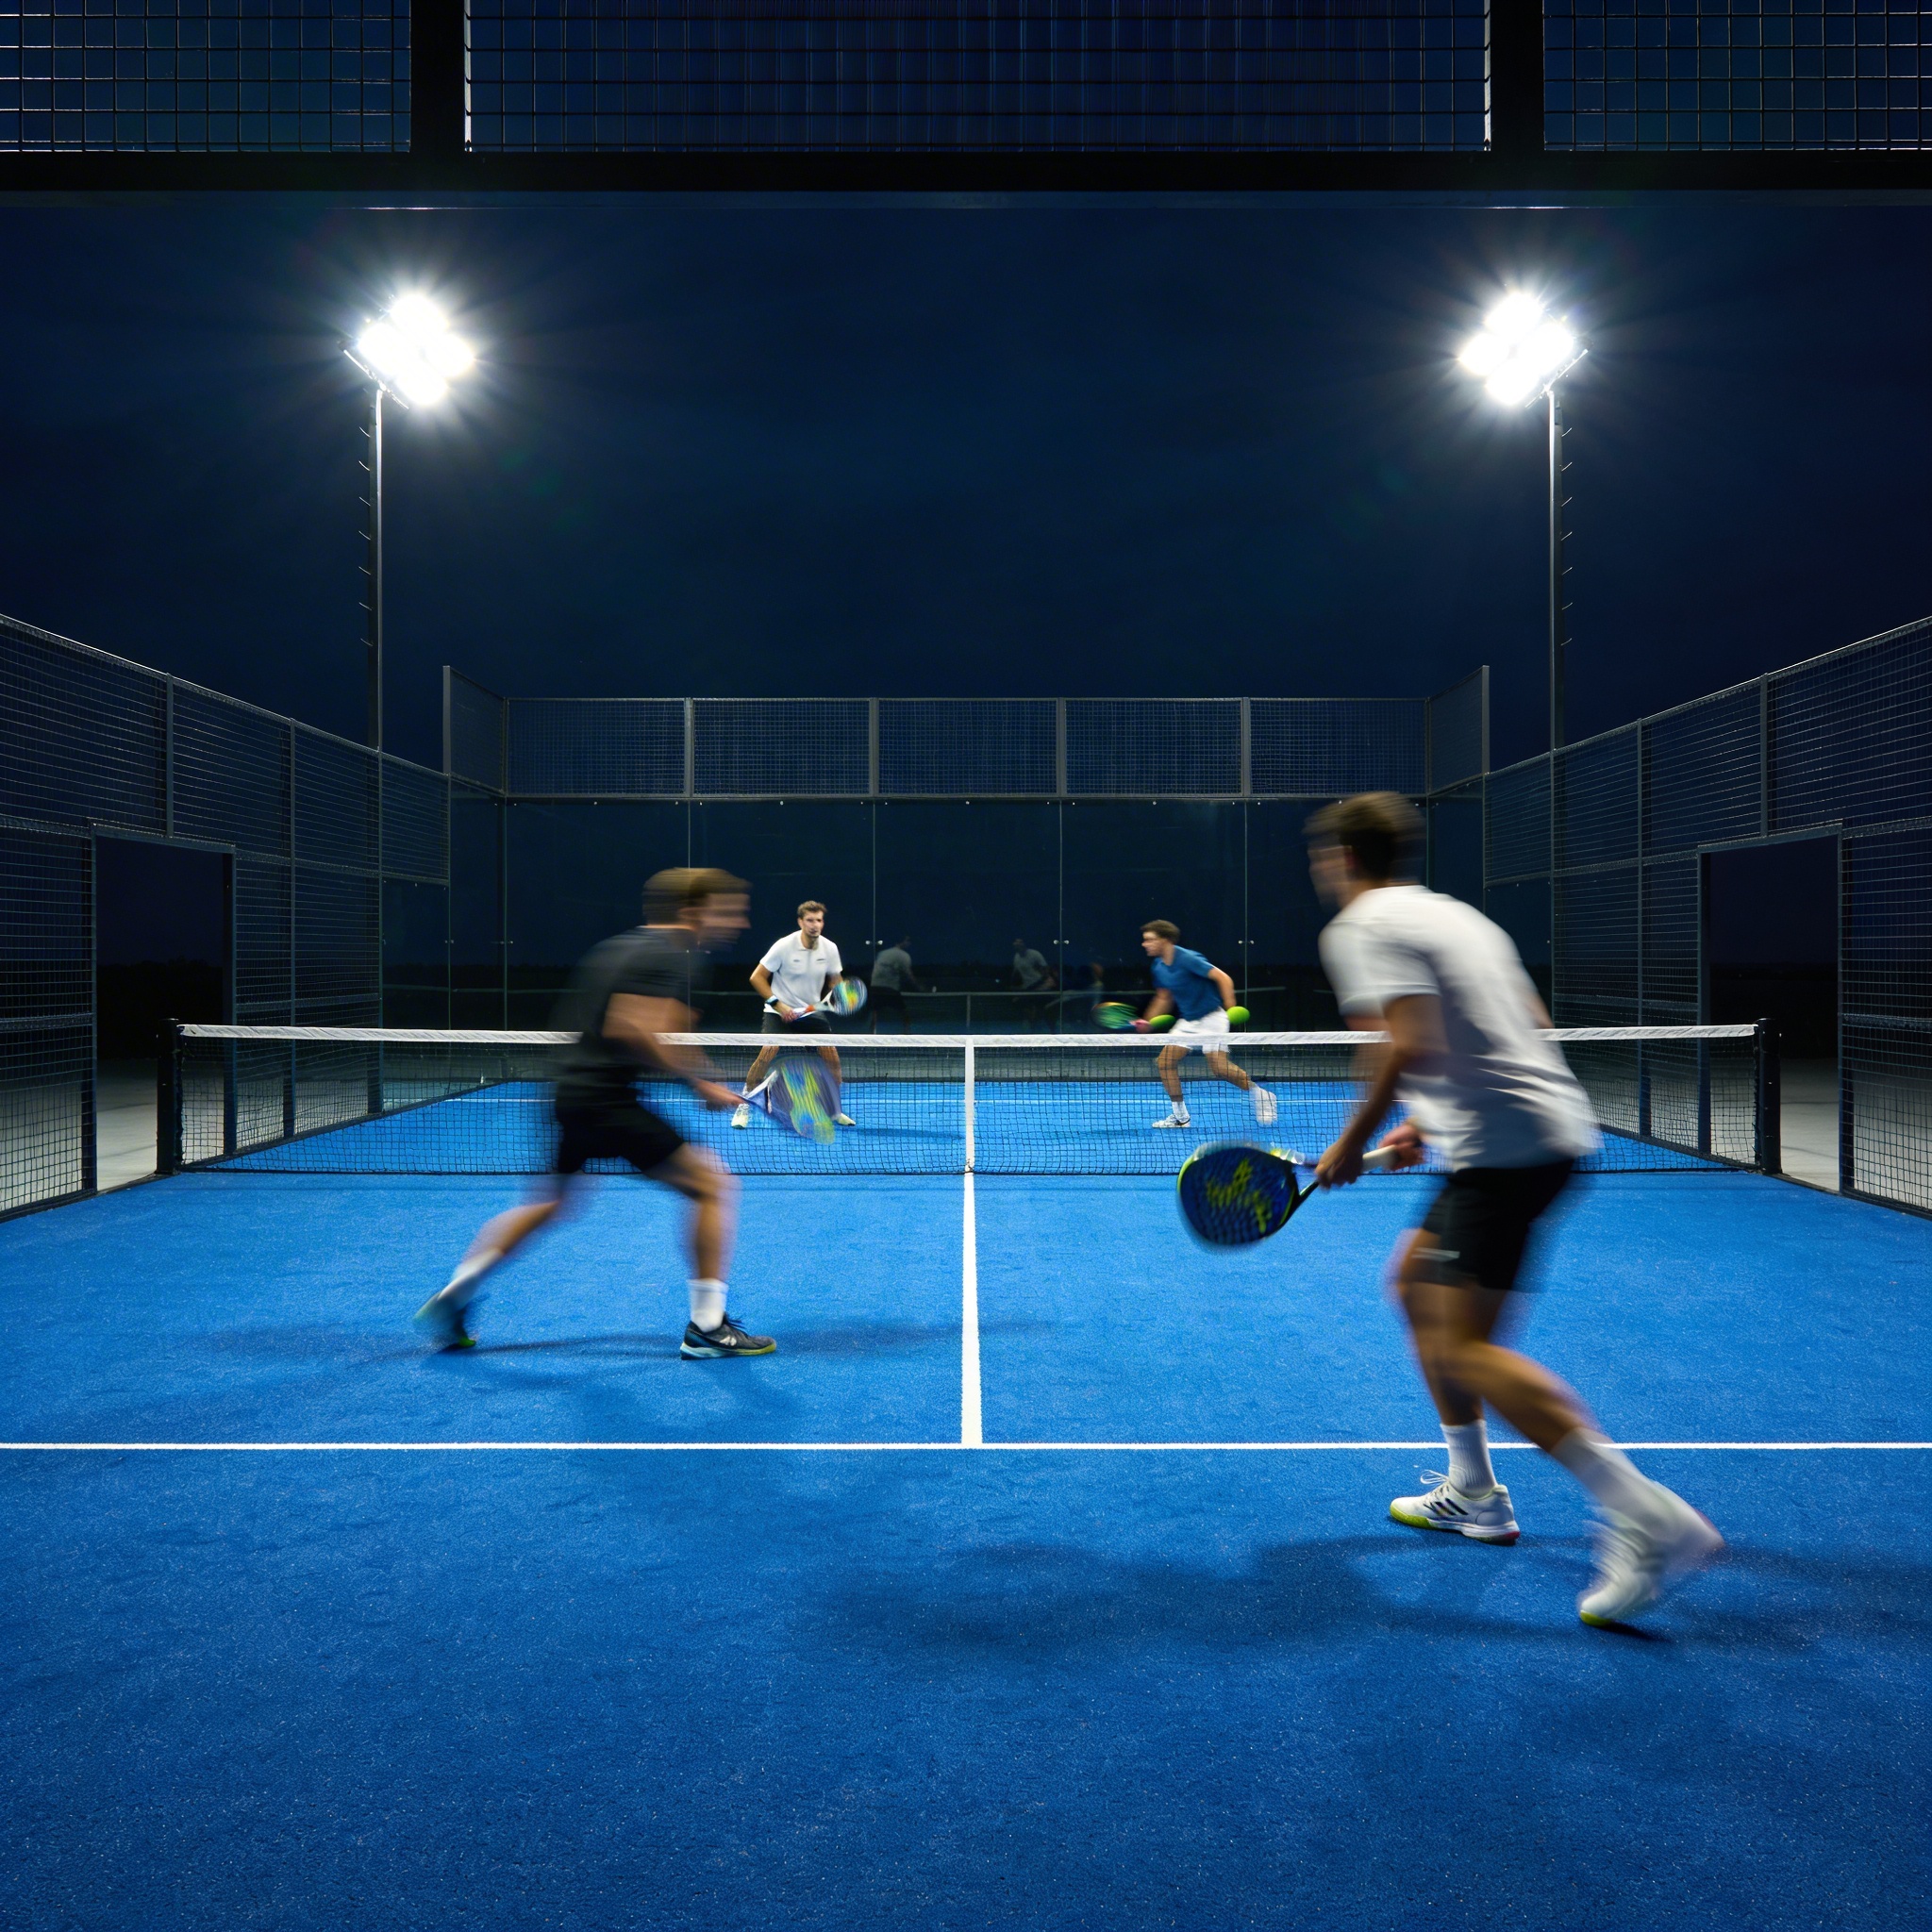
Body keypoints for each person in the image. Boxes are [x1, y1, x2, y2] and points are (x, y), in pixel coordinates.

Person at [1307, 791, 1723, 1626]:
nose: (1321, 870)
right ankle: (1475, 1492)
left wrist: (1354, 1141)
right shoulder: (1460, 920)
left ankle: (1644, 1513)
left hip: (1505, 1154)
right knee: (1415, 1290)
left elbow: (1407, 1041)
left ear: (1346, 858)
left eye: (1323, 855)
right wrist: (1429, 1118)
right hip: (1534, 1136)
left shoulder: (1359, 928)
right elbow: (1521, 1023)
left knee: (1464, 1349)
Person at [412, 867, 774, 1360]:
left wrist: (685, 1051)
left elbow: (634, 1023)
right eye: (728, 909)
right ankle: (708, 1327)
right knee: (712, 1185)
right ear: (692, 911)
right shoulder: (669, 954)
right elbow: (630, 1027)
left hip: (570, 1094)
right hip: (608, 1100)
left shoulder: (621, 948)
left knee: (551, 1203)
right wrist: (698, 1082)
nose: (739, 921)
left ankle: (455, 1295)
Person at [1137, 921, 1276, 1128]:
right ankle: (1180, 1117)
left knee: (1219, 1068)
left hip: (1213, 1018)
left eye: (1149, 939)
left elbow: (1223, 978)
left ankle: (1262, 1095)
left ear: (1164, 940)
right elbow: (1164, 998)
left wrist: (1231, 1008)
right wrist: (1147, 1021)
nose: (1144, 944)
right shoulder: (1158, 967)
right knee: (1165, 1062)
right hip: (1188, 1021)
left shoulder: (1187, 958)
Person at [733, 900, 856, 1129]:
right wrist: (778, 1005)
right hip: (779, 1010)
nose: (814, 925)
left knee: (833, 1061)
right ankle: (744, 1105)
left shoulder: (829, 948)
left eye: (818, 920)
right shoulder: (783, 946)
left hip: (810, 1012)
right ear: (801, 922)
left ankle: (834, 1109)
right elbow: (757, 977)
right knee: (767, 1052)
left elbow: (835, 980)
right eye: (810, 920)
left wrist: (840, 994)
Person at [869, 937, 921, 1032]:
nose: (909, 944)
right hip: (890, 989)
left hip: (875, 987)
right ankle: (907, 1032)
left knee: (875, 1012)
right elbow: (909, 975)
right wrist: (920, 988)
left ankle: (871, 1033)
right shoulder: (904, 956)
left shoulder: (883, 953)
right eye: (908, 941)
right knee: (904, 1011)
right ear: (903, 942)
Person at [1011, 938, 1057, 1030]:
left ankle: (1051, 1030)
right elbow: (1016, 973)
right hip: (1029, 988)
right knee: (1020, 1004)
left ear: (1025, 944)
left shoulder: (1035, 954)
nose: (1018, 944)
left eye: (1020, 942)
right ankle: (1034, 1026)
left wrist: (1042, 983)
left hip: (1042, 988)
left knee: (1044, 1010)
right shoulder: (1016, 957)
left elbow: (1045, 971)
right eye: (1016, 942)